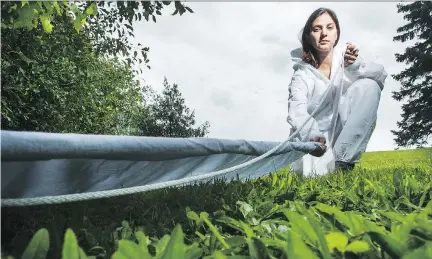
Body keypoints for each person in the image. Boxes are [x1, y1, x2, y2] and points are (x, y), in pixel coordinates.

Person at [287, 7, 388, 174]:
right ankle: (322, 165)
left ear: (337, 33)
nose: (324, 34)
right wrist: (312, 135)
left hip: (340, 141)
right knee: (313, 180)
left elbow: (381, 76)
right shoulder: (302, 74)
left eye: (329, 27)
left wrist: (355, 66)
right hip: (315, 144)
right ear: (308, 36)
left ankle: (344, 163)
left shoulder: (348, 58)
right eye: (317, 29)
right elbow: (296, 109)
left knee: (369, 86)